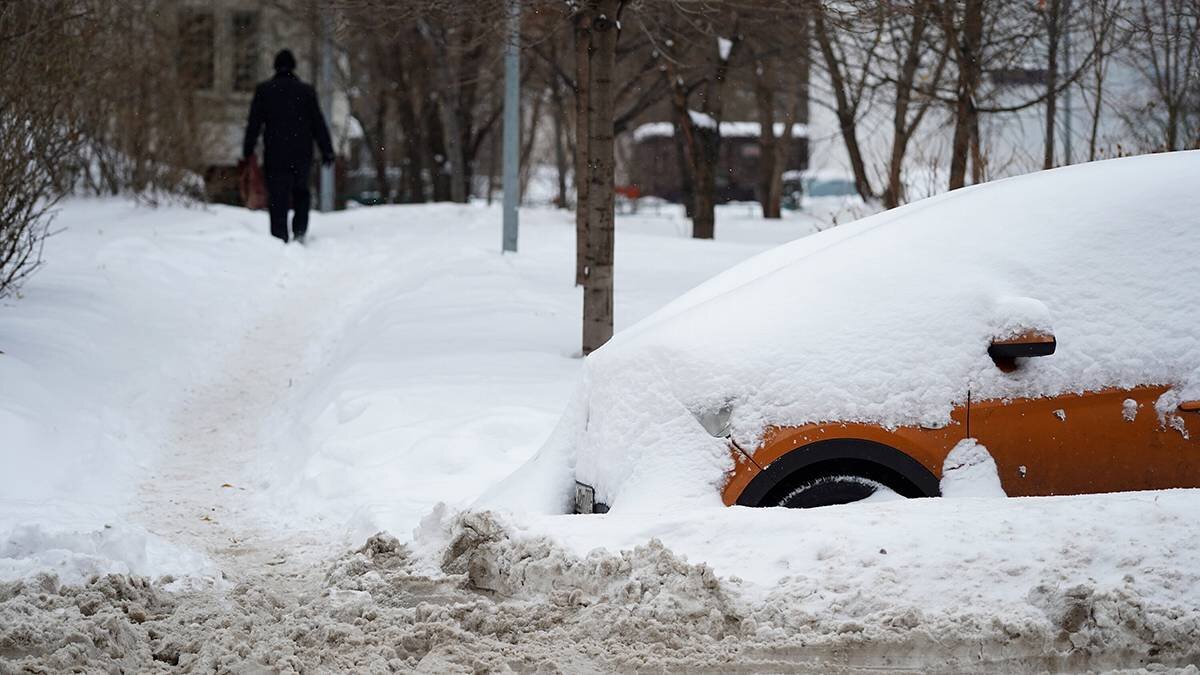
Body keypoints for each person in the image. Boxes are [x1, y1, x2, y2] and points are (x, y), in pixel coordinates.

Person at [242, 49, 334, 244]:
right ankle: (299, 230)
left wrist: (248, 149)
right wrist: (327, 150)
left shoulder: (265, 90)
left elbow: (254, 123)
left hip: (275, 154)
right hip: (302, 153)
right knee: (301, 192)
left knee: (277, 196)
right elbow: (318, 123)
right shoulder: (306, 91)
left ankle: (279, 236)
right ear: (294, 66)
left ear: (275, 66)